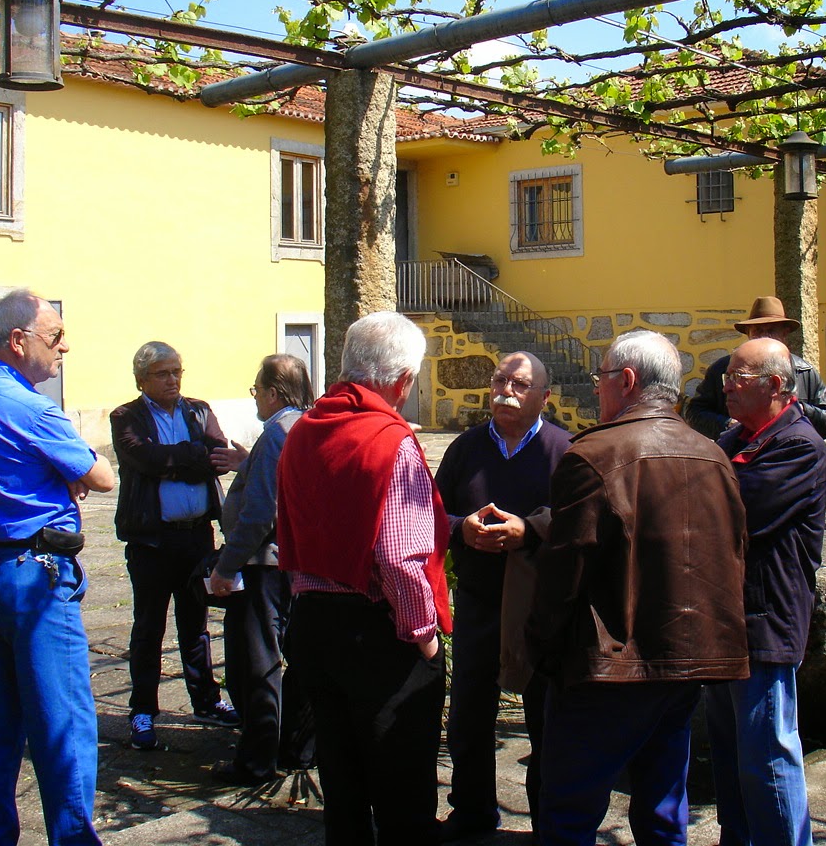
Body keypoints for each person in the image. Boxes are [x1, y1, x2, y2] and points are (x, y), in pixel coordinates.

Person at [526, 329, 749, 846]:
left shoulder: (593, 455)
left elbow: (564, 574)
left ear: (626, 380)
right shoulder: (715, 456)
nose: (596, 388)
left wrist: (540, 648)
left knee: (568, 813)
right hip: (686, 663)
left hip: (608, 668)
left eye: (601, 377)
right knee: (663, 809)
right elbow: (733, 554)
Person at [0, 288, 115, 846]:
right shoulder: (30, 408)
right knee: (63, 725)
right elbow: (103, 476)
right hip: (33, 575)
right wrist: (70, 473)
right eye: (55, 336)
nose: (64, 347)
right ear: (18, 340)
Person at [276, 311, 452, 845]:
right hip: (376, 633)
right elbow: (399, 557)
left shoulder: (304, 429)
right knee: (404, 791)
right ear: (403, 379)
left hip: (313, 622)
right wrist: (424, 636)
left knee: (343, 779)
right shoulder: (389, 441)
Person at [434, 351, 571, 841]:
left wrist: (529, 531)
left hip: (540, 609)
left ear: (544, 397)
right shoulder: (465, 448)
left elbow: (580, 521)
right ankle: (471, 812)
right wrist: (461, 529)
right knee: (469, 714)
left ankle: (548, 821)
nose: (505, 391)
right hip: (479, 602)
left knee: (546, 719)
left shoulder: (564, 451)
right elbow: (430, 512)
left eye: (519, 384)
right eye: (499, 380)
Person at [704, 337, 826, 846]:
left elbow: (733, 511)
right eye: (727, 378)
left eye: (737, 379)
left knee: (767, 757)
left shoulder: (798, 445)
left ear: (775, 385)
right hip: (724, 617)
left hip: (765, 621)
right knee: (729, 752)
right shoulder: (736, 438)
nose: (726, 388)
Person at [110, 341, 238, 752]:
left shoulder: (198, 411)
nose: (172, 380)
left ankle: (206, 700)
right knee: (149, 627)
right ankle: (142, 711)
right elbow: (143, 458)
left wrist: (175, 462)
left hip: (197, 535)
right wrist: (190, 458)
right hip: (151, 539)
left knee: (196, 625)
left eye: (177, 372)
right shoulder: (126, 416)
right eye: (163, 373)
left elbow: (218, 455)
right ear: (141, 379)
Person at [206, 354, 316, 785]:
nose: (255, 398)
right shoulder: (306, 426)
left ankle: (256, 761)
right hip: (296, 562)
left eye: (256, 390)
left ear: (273, 393)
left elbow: (259, 514)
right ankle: (299, 748)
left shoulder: (276, 434)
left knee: (258, 665)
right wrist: (249, 463)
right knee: (299, 656)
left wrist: (226, 565)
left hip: (264, 565)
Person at [684, 296, 826, 439]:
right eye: (758, 331)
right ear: (748, 333)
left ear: (785, 333)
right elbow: (694, 413)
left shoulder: (805, 371)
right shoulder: (722, 369)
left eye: (771, 330)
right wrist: (729, 425)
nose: (764, 337)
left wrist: (800, 409)